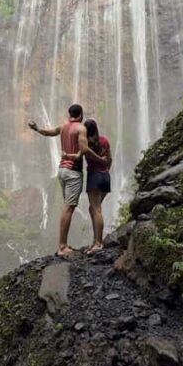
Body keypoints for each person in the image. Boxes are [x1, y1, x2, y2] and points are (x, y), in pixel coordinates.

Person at [28, 104, 107, 256]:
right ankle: (62, 246)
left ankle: (63, 245)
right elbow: (84, 149)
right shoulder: (81, 128)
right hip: (72, 172)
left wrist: (36, 129)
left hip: (61, 171)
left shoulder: (63, 126)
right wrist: (100, 159)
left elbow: (49, 132)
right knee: (69, 207)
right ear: (81, 115)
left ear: (69, 114)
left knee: (67, 206)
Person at [63, 119, 112, 254]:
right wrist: (106, 170)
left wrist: (66, 156)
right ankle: (96, 240)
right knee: (93, 209)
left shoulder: (85, 143)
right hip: (105, 177)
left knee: (96, 210)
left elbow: (79, 156)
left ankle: (98, 243)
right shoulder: (104, 140)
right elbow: (110, 159)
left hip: (94, 177)